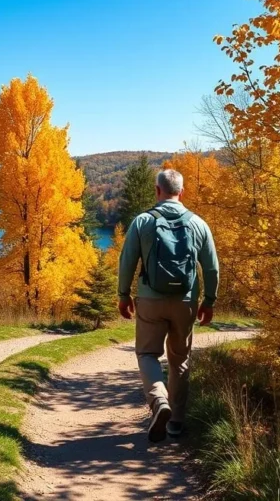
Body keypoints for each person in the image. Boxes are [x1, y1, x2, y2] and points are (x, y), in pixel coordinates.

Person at [118, 169, 219, 443]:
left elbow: (127, 261)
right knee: (180, 360)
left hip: (150, 299)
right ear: (182, 192)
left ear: (157, 190)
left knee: (148, 354)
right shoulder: (198, 223)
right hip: (185, 302)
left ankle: (159, 401)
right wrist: (209, 301)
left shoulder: (142, 221)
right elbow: (211, 268)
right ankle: (175, 422)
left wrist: (123, 294)